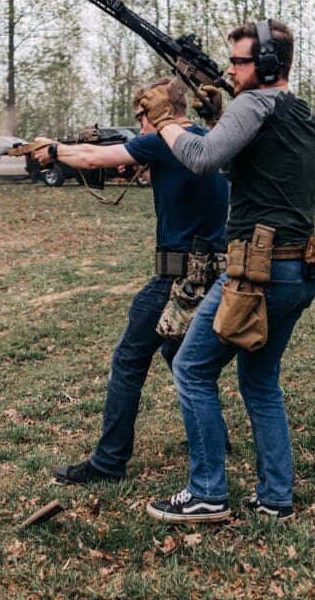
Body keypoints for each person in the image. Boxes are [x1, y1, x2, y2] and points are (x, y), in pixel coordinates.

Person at [138, 20, 315, 523]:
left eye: (240, 61)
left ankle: (207, 493)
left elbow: (199, 158)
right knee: (261, 382)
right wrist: (222, 120)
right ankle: (275, 498)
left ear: (265, 65)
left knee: (191, 369)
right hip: (297, 272)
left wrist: (167, 121)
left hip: (254, 274)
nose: (229, 70)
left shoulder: (254, 104)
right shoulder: (301, 113)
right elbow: (248, 169)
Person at [33, 80, 229, 485]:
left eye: (140, 116)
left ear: (153, 114)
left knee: (128, 360)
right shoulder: (209, 140)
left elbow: (88, 157)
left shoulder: (161, 141)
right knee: (180, 356)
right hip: (209, 272)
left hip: (176, 278)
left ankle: (108, 463)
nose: (138, 124)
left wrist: (52, 150)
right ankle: (215, 438)